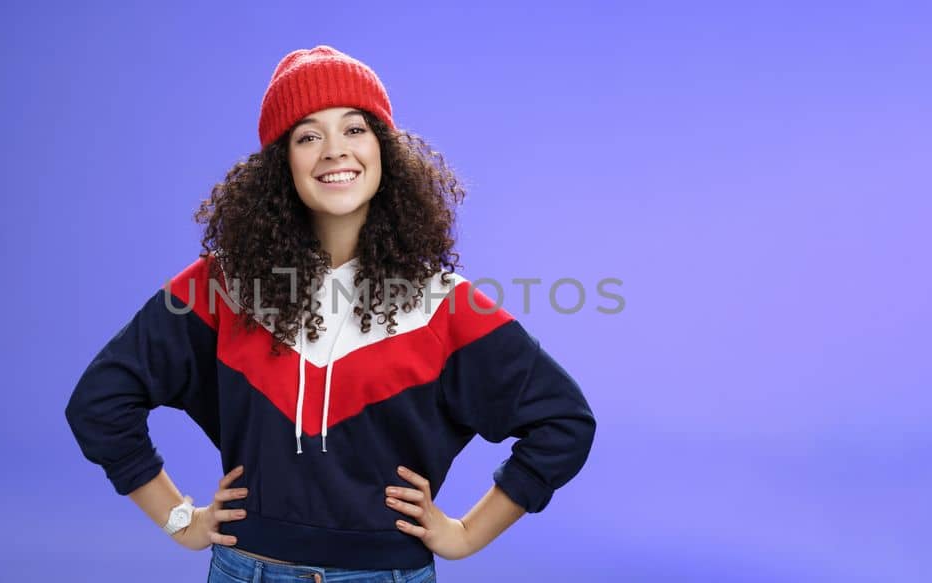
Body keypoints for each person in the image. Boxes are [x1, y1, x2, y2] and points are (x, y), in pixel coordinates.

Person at [65, 45, 596, 582]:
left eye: (355, 129)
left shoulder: (442, 303)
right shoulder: (220, 288)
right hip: (249, 572)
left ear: (385, 150)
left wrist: (466, 534)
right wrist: (179, 519)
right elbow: (100, 402)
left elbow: (563, 422)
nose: (334, 151)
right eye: (308, 135)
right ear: (281, 165)